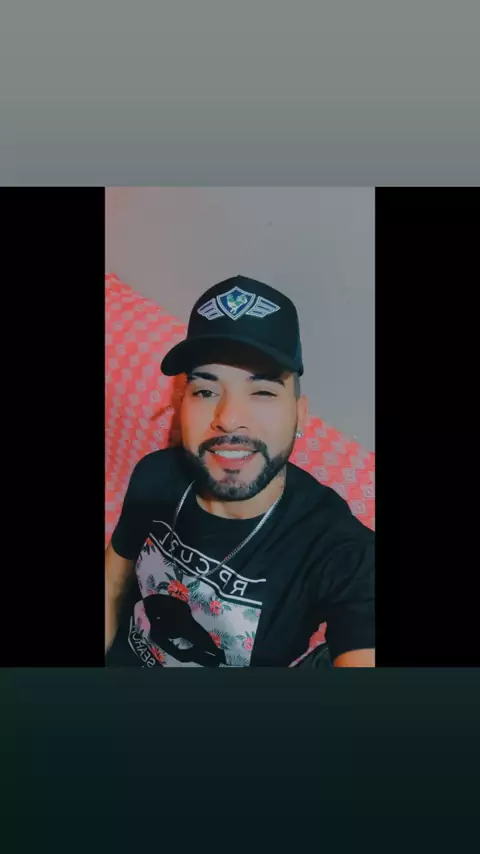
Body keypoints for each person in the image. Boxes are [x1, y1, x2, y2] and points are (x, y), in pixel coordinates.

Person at [105, 276, 375, 668]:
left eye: (263, 392)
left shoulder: (338, 550)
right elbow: (112, 584)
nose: (229, 418)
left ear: (299, 415)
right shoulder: (155, 477)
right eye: (205, 391)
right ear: (181, 404)